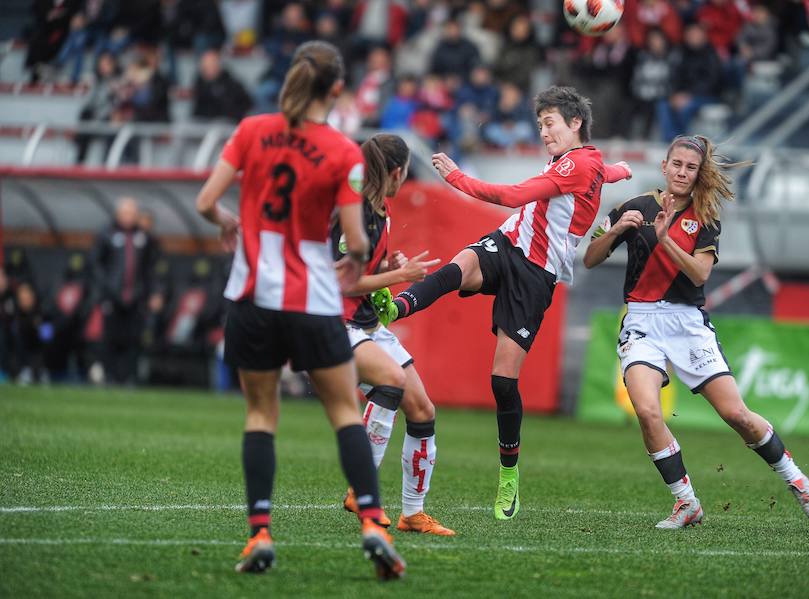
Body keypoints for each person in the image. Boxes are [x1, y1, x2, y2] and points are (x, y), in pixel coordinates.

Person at [195, 40, 405, 579]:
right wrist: (351, 268)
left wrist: (227, 224)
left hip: (251, 297)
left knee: (261, 416)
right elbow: (355, 242)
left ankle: (260, 534)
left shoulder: (250, 131)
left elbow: (203, 202)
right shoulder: (344, 153)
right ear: (336, 89)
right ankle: (374, 524)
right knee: (342, 411)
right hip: (313, 300)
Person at [372, 86, 631, 520]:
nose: (544, 132)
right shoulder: (589, 162)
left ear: (575, 124)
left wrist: (455, 178)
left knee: (503, 382)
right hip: (510, 241)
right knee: (460, 268)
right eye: (541, 125)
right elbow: (606, 170)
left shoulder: (578, 162)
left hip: (536, 274)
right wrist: (620, 169)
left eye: (550, 124)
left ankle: (509, 474)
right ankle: (397, 307)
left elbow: (512, 197)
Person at [583, 134, 809, 528]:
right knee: (646, 409)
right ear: (664, 166)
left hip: (687, 324)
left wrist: (665, 240)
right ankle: (686, 502)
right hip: (642, 321)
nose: (682, 172)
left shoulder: (705, 217)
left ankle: (793, 477)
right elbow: (591, 258)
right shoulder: (634, 206)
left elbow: (699, 273)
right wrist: (613, 232)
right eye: (676, 164)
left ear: (698, 174)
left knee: (737, 414)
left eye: (690, 167)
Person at [332, 133, 454, 536]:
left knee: (422, 410)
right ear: (397, 172)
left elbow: (368, 267)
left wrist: (390, 261)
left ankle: (413, 513)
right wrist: (401, 275)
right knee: (392, 382)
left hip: (367, 323)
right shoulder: (353, 211)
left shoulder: (378, 210)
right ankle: (359, 488)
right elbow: (342, 282)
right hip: (338, 322)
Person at [90, 197, 157, 385]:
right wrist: (106, 286)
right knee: (110, 338)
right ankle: (109, 376)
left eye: (133, 214)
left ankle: (131, 378)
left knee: (134, 339)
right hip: (112, 297)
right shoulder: (106, 234)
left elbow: (150, 268)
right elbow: (96, 264)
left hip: (136, 297)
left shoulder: (144, 238)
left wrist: (151, 291)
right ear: (118, 214)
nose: (129, 217)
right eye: (126, 213)